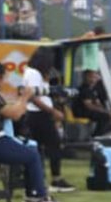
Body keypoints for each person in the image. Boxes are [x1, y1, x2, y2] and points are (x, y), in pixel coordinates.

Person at [0, 63, 61, 202]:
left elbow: (10, 109)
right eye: (3, 77)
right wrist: (25, 98)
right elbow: (15, 114)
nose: (4, 81)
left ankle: (32, 193)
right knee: (31, 155)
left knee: (32, 147)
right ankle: (39, 196)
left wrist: (20, 100)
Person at [22, 47, 76, 191]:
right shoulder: (33, 74)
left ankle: (41, 180)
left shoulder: (35, 73)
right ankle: (55, 179)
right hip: (38, 114)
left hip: (39, 113)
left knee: (43, 147)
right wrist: (52, 111)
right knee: (53, 145)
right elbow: (33, 97)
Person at [73, 68, 111, 137]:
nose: (93, 80)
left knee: (107, 116)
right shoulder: (84, 89)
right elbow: (89, 106)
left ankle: (101, 134)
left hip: (88, 110)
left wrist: (107, 111)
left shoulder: (92, 89)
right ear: (85, 77)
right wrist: (105, 112)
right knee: (105, 116)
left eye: (94, 77)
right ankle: (96, 136)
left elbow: (98, 103)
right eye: (90, 77)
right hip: (81, 111)